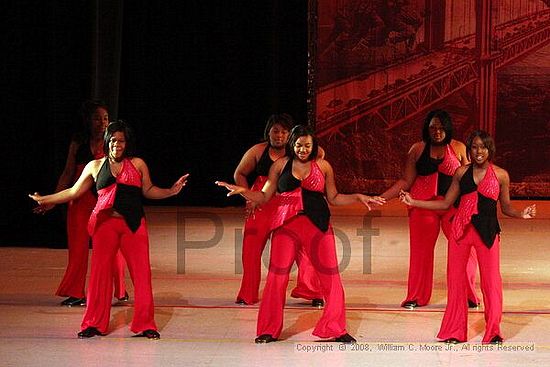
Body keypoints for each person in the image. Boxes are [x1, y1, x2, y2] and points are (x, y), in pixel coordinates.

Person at [217, 125, 385, 343]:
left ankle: (336, 328)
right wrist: (244, 192)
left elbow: (334, 198)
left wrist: (358, 196)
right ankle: (268, 329)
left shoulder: (323, 166)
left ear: (313, 146)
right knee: (277, 278)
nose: (303, 149)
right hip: (286, 227)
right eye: (298, 145)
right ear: (292, 145)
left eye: (307, 145)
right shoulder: (279, 165)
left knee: (330, 276)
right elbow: (265, 196)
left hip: (317, 225)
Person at [30, 121, 188, 339]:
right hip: (105, 226)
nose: (117, 144)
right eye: (113, 140)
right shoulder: (94, 166)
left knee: (142, 275)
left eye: (121, 140)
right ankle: (93, 323)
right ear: (107, 142)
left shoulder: (138, 164)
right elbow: (74, 191)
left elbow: (149, 190)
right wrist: (47, 199)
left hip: (133, 225)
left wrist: (171, 191)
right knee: (99, 275)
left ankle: (145, 324)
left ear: (127, 143)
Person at [400, 130, 536, 344]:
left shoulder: (501, 175)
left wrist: (522, 213)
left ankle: (493, 332)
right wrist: (414, 202)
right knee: (455, 283)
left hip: (488, 234)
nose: (478, 151)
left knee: (491, 283)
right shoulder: (461, 173)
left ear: (489, 149)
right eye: (474, 147)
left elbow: (507, 207)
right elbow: (445, 204)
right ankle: (454, 331)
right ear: (469, 150)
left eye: (483, 147)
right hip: (460, 233)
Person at [380, 109, 480, 309]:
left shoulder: (459, 148)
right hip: (422, 206)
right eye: (433, 127)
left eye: (441, 128)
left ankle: (468, 294)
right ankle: (416, 296)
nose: (437, 131)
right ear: (427, 128)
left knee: (464, 249)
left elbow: (470, 180)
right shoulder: (417, 149)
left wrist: (474, 207)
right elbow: (406, 180)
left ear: (448, 128)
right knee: (420, 253)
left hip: (453, 206)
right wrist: (380, 198)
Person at [33, 100, 128, 307]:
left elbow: (121, 171)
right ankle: (76, 292)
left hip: (105, 199)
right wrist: (52, 201)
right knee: (77, 247)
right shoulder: (78, 141)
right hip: (79, 200)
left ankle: (120, 290)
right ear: (88, 121)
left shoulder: (112, 141)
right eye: (97, 118)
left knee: (111, 246)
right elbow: (67, 173)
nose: (102, 122)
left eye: (105, 118)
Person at [233, 113, 324, 306]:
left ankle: (311, 291)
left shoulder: (296, 151)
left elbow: (319, 153)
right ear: (268, 132)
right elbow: (239, 173)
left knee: (301, 246)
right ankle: (247, 293)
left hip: (287, 202)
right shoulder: (258, 150)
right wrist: (247, 196)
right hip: (262, 200)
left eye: (284, 132)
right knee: (251, 247)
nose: (279, 135)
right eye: (275, 131)